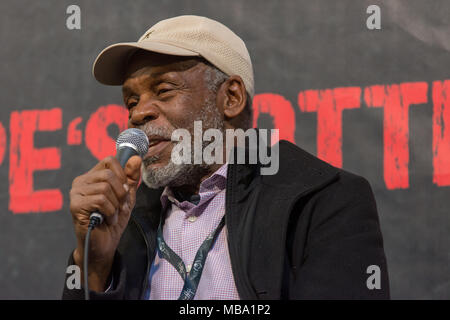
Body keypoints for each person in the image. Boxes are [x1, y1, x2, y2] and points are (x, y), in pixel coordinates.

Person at [62, 15, 389, 300]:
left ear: (230, 98)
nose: (138, 113)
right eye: (131, 101)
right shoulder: (123, 215)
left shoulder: (321, 199)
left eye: (163, 90)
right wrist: (96, 268)